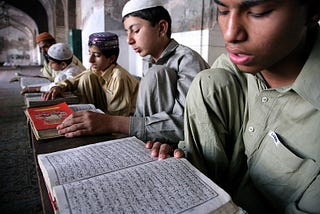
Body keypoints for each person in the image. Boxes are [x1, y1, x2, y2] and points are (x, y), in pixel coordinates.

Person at [150, 0, 320, 213]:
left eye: (259, 12)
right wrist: (180, 159)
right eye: (222, 10)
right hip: (222, 189)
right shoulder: (236, 68)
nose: (230, 34)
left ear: (313, 11)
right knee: (208, 82)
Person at [52, 0, 209, 143]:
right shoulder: (149, 61)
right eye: (127, 32)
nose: (129, 40)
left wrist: (112, 123)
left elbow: (188, 124)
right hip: (154, 143)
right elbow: (143, 115)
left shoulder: (187, 60)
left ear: (161, 28)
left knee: (157, 73)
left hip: (183, 147)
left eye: (135, 30)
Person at [42, 32, 139, 116]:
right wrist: (59, 87)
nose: (90, 60)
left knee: (86, 78)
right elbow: (74, 80)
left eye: (97, 55)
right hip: (104, 113)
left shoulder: (119, 77)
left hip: (119, 119)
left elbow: (119, 116)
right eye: (90, 53)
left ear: (111, 58)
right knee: (86, 77)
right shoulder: (96, 69)